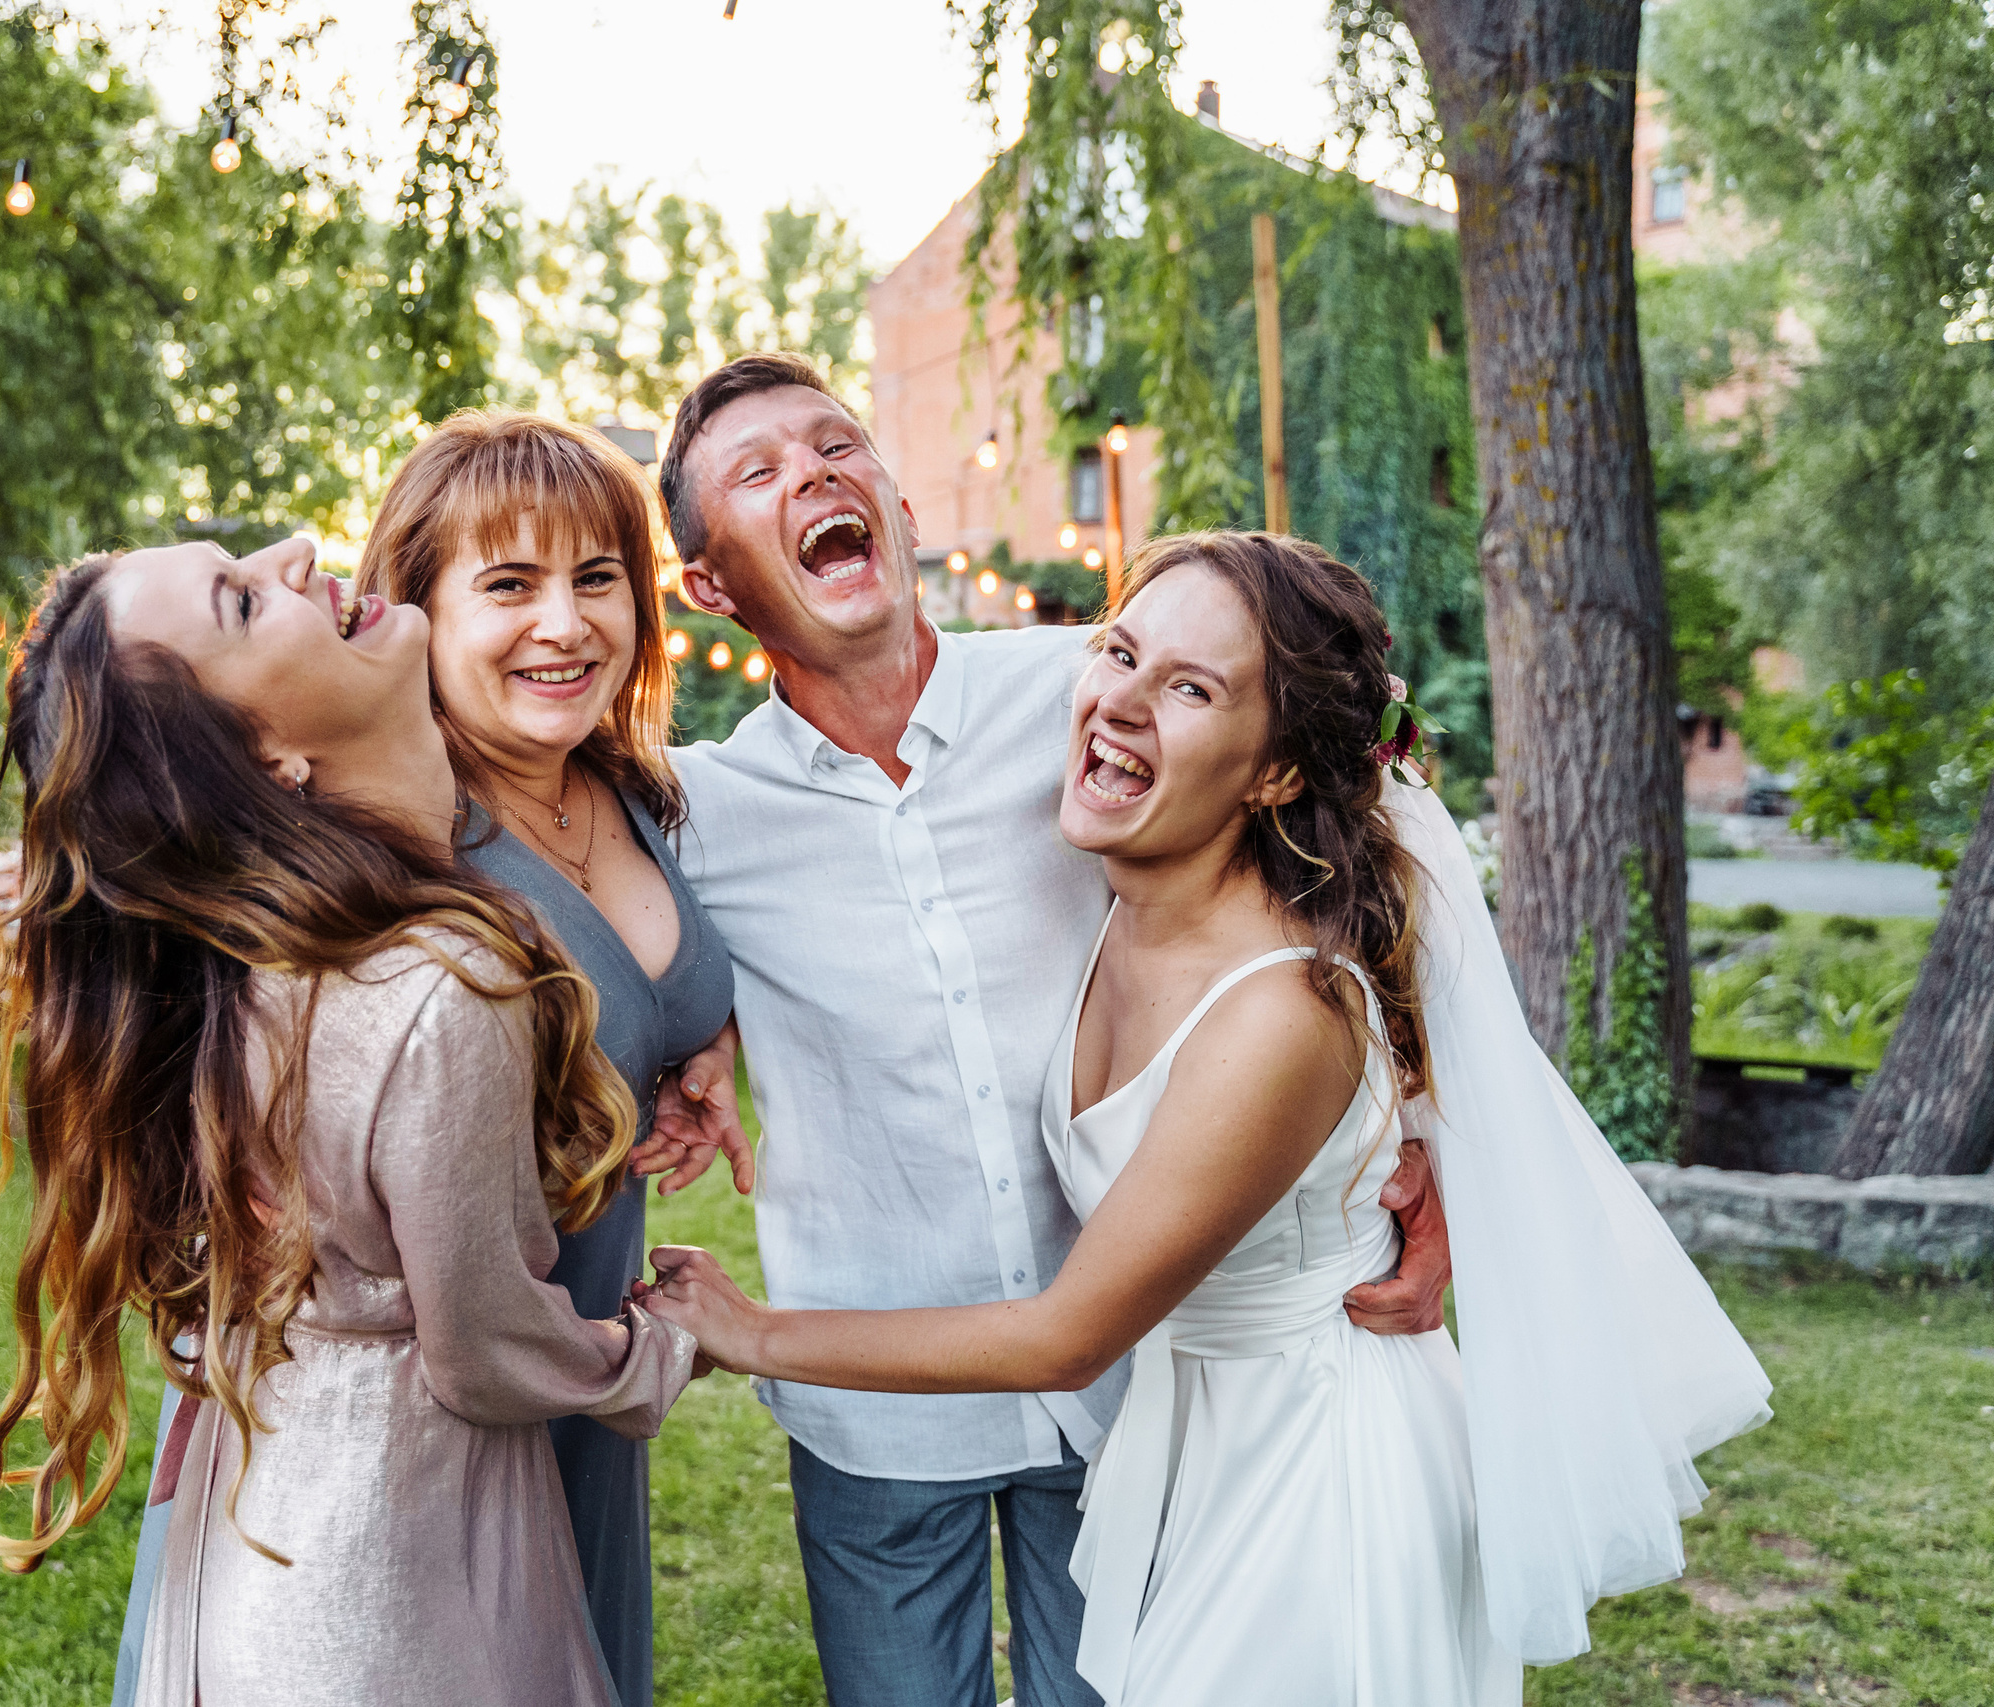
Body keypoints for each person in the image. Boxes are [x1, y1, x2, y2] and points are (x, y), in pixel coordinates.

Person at [643, 532, 1773, 1705]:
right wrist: (708, 1030)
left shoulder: (1278, 1015)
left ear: (1276, 770)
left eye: (1188, 688)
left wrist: (752, 1333)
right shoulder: (1123, 894)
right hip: (1188, 1450)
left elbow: (1065, 1336)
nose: (1120, 701)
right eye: (1119, 653)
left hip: (1313, 1485)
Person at [639, 353, 1455, 1707]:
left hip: (1145, 1382)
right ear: (711, 586)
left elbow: (1354, 857)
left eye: (836, 443)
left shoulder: (1095, 693)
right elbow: (611, 931)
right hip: (878, 1396)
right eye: (760, 472)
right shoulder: (694, 814)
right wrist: (695, 1032)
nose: (816, 474)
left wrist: (1413, 1161)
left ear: (896, 500)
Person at [0, 539, 699, 1707]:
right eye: (244, 598)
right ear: (265, 756)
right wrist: (662, 1346)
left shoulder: (258, 959)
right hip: (393, 1581)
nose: (299, 553)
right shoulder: (438, 982)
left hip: (261, 1532)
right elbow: (484, 1350)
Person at [114, 413, 738, 1707]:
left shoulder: (625, 785)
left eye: (597, 576)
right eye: (508, 585)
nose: (563, 624)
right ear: (419, 607)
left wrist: (702, 1043)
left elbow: (632, 992)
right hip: (462, 1377)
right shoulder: (393, 846)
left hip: (589, 1325)